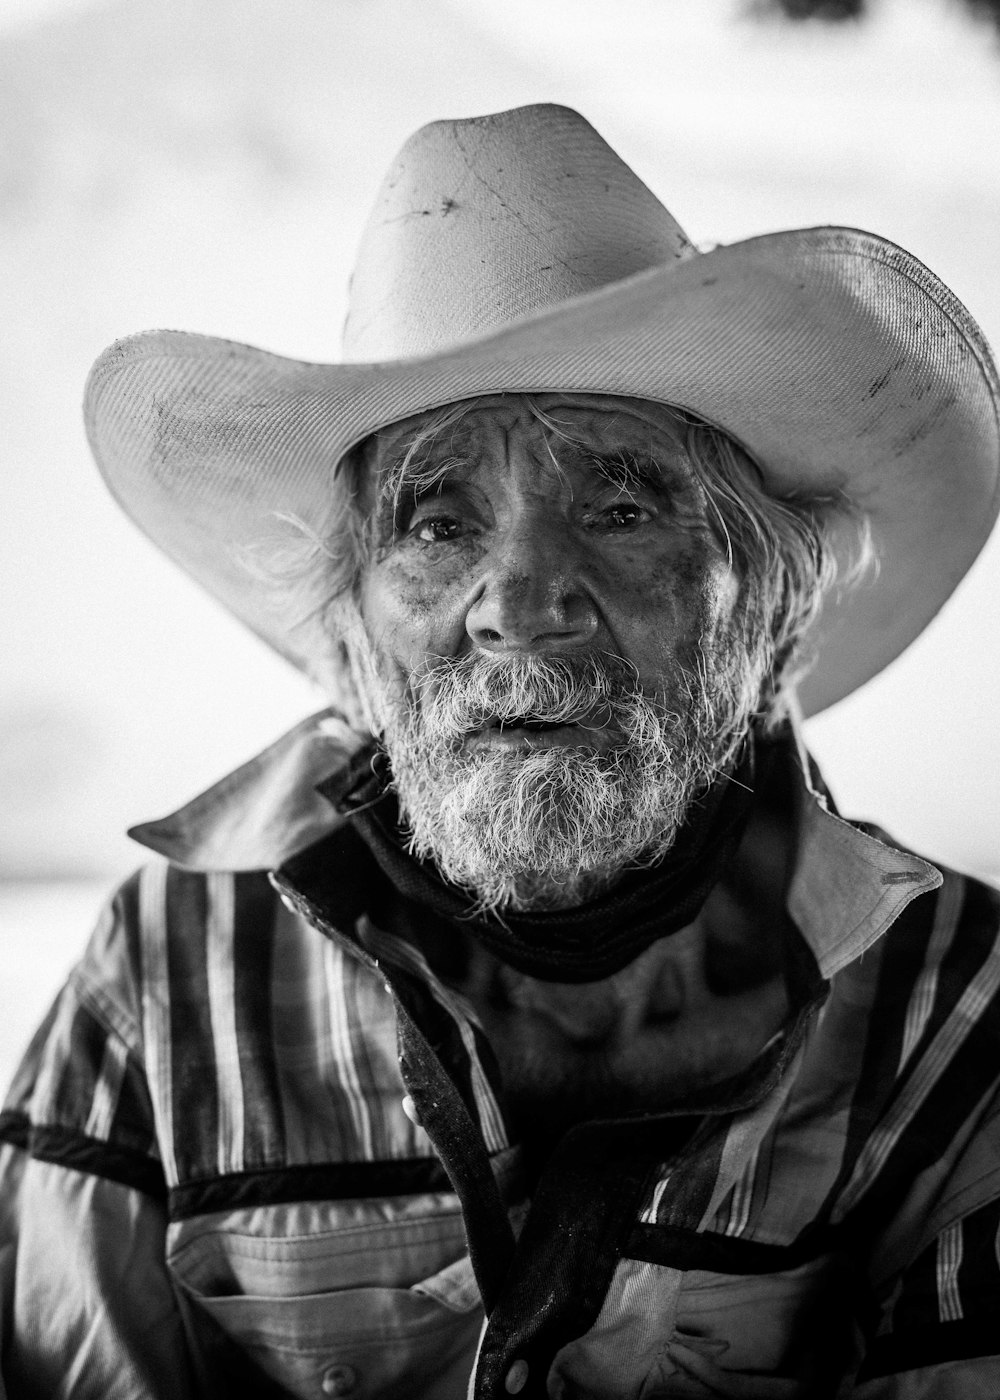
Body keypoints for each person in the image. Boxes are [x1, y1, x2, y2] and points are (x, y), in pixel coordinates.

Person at [1, 103, 999, 1400]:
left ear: (761, 598)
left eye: (622, 502)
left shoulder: (947, 1006)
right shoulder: (165, 976)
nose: (521, 601)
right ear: (355, 629)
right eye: (436, 522)